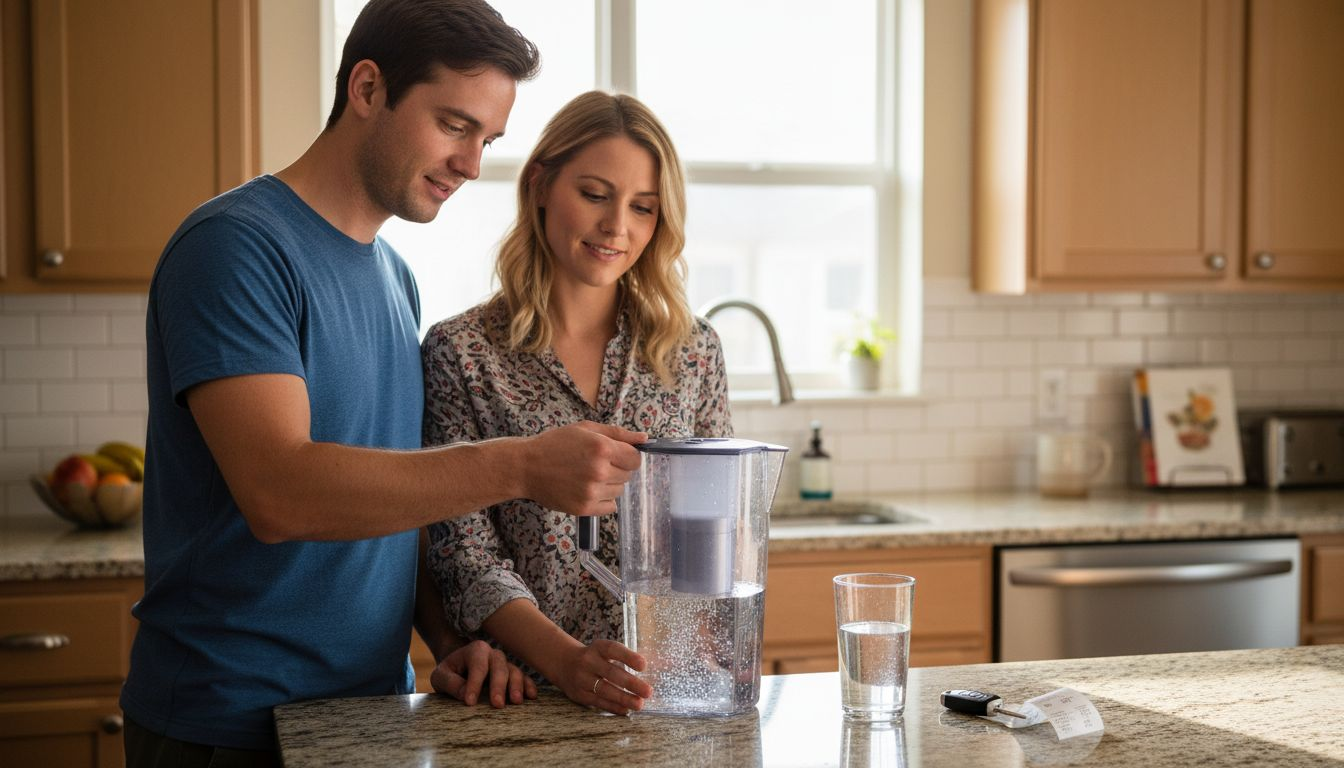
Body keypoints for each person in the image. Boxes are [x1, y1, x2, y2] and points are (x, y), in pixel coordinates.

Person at [122, 3, 647, 765]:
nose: (471, 164)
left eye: (487, 140)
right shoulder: (236, 248)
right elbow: (281, 493)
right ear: (367, 88)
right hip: (229, 722)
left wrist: (446, 638)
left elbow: (392, 505)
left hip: (373, 709)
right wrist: (526, 463)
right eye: (454, 125)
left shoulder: (393, 277)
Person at [421, 91, 732, 716]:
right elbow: (463, 551)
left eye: (643, 208)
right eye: (594, 194)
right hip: (517, 698)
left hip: (664, 695)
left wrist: (701, 655)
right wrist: (568, 660)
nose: (618, 226)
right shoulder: (461, 352)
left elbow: (715, 531)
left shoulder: (693, 351)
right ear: (540, 184)